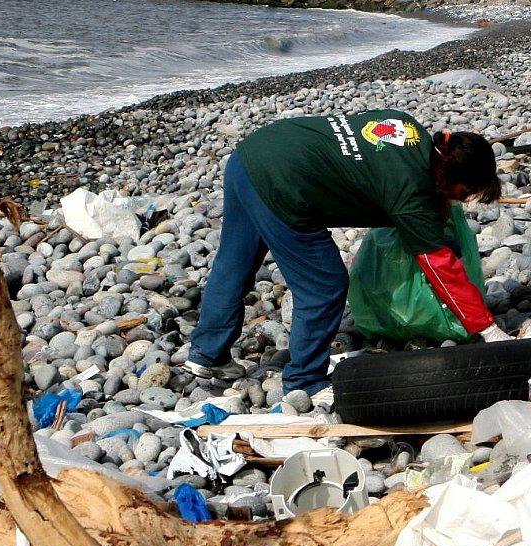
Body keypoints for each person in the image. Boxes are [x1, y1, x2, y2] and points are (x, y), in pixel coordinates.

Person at [184, 111, 509, 393]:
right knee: (324, 285)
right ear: (449, 175)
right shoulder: (411, 192)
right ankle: (305, 380)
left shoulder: (408, 129)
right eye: (464, 193)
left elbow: (372, 170)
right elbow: (441, 267)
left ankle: (207, 355)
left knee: (234, 263)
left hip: (251, 157)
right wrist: (487, 328)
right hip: (284, 186)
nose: (461, 201)